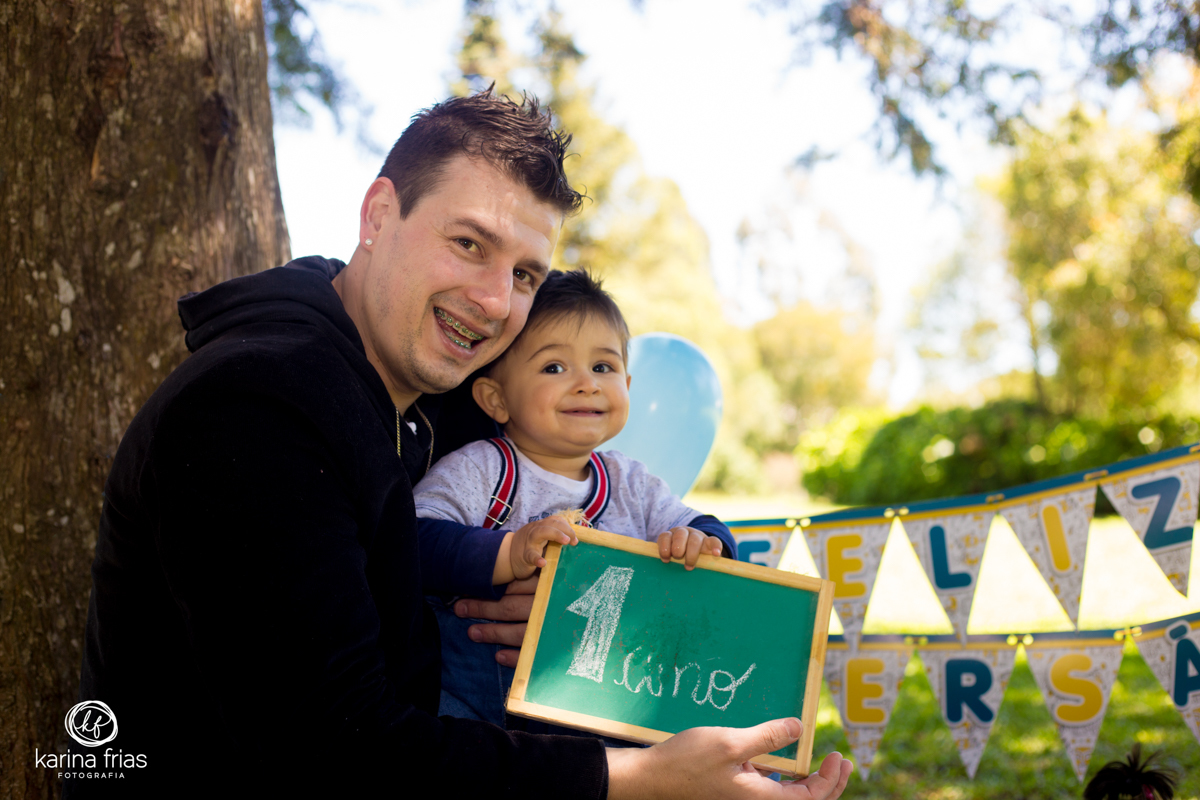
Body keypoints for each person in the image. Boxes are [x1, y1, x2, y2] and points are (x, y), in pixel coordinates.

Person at [68, 89, 853, 799]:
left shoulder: (440, 403)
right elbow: (335, 756)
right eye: (470, 244)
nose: (493, 301)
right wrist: (646, 780)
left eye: (524, 275)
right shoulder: (255, 405)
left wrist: (569, 624)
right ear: (378, 215)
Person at [414, 268, 737, 727]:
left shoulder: (631, 483)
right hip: (480, 714)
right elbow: (415, 540)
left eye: (603, 367)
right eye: (554, 367)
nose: (587, 383)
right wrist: (510, 551)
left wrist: (702, 542)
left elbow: (709, 528)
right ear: (496, 399)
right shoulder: (483, 471)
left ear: (627, 385)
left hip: (602, 714)